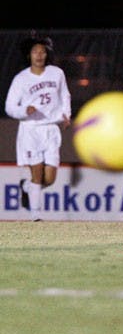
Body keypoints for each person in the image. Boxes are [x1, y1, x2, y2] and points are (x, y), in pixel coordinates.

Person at [5, 35, 72, 221]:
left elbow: (65, 95)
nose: (39, 55)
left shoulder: (56, 73)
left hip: (51, 129)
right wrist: (24, 110)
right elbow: (10, 107)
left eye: (42, 51)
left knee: (49, 179)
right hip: (31, 130)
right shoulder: (21, 79)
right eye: (35, 52)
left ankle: (26, 188)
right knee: (36, 173)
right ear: (29, 55)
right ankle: (36, 216)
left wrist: (66, 114)